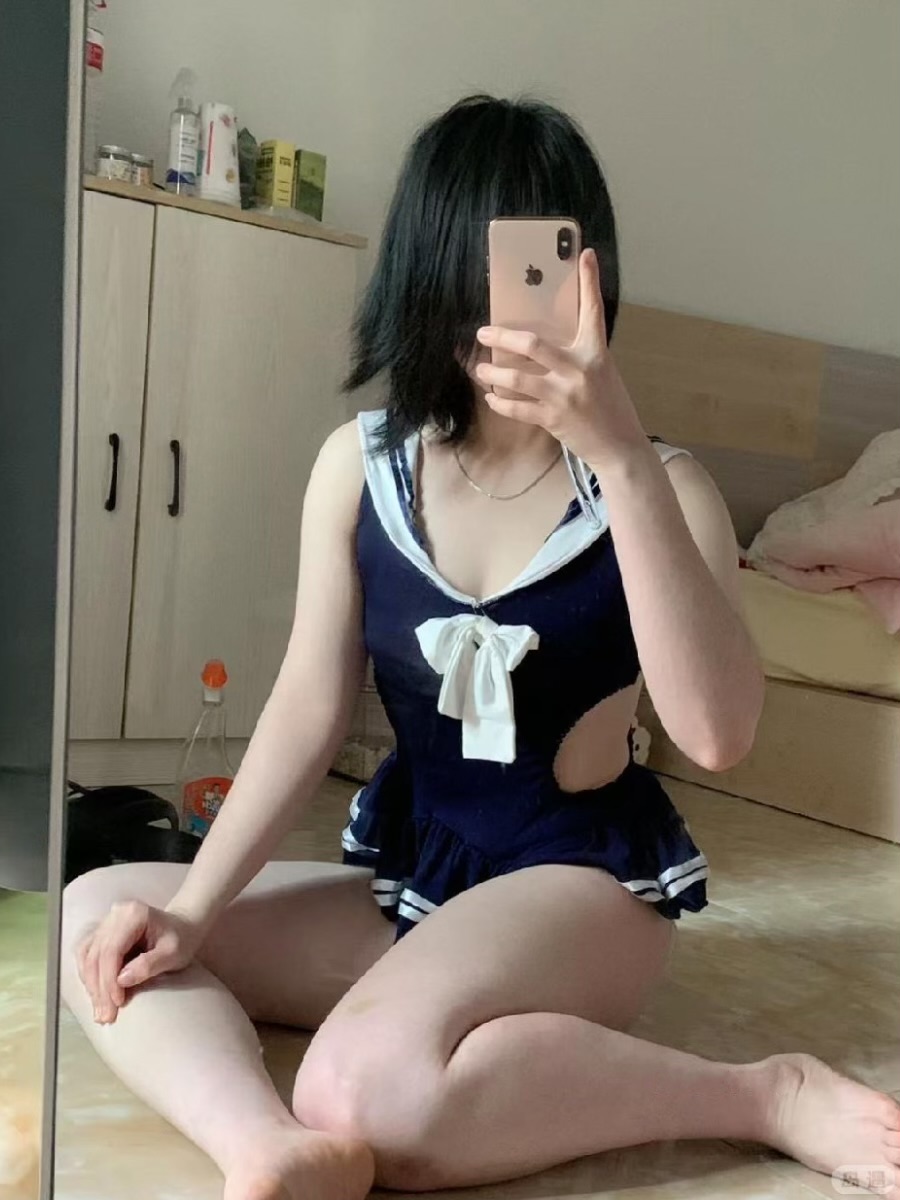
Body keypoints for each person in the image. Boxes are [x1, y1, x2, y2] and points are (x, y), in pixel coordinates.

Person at [62, 95, 900, 1200]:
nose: (502, 305)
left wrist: (619, 455)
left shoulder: (663, 485)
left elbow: (717, 734)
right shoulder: (362, 467)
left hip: (578, 886)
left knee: (367, 1092)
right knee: (100, 914)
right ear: (426, 271)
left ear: (589, 276)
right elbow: (308, 712)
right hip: (419, 877)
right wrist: (193, 906)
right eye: (477, 268)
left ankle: (760, 1094)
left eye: (536, 268)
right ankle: (261, 1145)